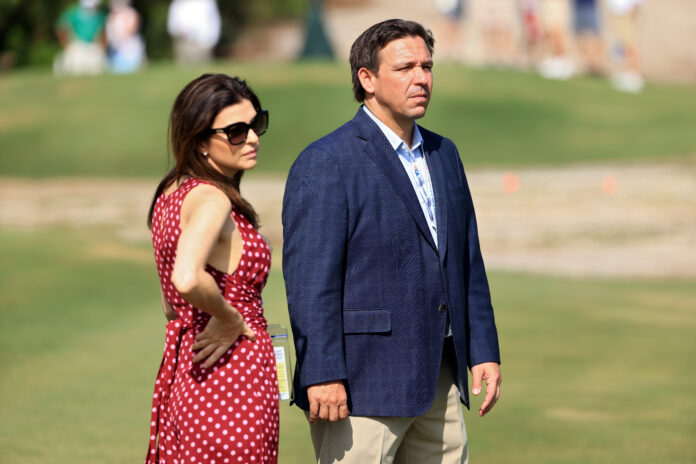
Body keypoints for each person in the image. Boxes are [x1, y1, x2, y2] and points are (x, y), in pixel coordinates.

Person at [282, 19, 502, 464]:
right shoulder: (326, 161)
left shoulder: (445, 154)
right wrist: (322, 373)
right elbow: (311, 282)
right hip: (361, 386)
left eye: (427, 66)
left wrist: (483, 350)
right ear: (367, 78)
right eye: (405, 68)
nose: (421, 78)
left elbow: (466, 261)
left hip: (441, 380)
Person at [145, 74, 278, 463]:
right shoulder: (211, 199)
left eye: (257, 124)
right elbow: (185, 279)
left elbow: (171, 307)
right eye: (236, 131)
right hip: (232, 378)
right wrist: (229, 317)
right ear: (201, 141)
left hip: (187, 371)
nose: (252, 137)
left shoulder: (169, 194)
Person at [53, 0, 107, 76]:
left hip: (93, 46)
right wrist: (66, 45)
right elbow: (60, 27)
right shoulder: (73, 13)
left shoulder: (100, 15)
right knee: (76, 69)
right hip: (77, 45)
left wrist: (102, 48)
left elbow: (103, 32)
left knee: (97, 68)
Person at [605, 0, 644, 92]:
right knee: (625, 42)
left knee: (629, 43)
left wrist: (634, 5)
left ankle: (633, 75)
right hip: (623, 10)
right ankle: (629, 72)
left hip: (626, 10)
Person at [167, 0, 221, 64]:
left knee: (201, 67)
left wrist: (212, 40)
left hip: (202, 43)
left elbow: (214, 21)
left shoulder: (207, 2)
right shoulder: (177, 3)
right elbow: (172, 24)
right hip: (182, 42)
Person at [105, 0, 146, 73]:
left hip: (130, 47)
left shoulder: (131, 13)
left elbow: (133, 28)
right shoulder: (111, 17)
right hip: (116, 48)